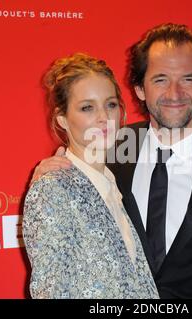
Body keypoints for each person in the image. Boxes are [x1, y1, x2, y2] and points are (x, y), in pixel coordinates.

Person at [31, 23, 192, 298]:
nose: (175, 93)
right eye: (161, 79)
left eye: (188, 79)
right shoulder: (113, 147)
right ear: (140, 89)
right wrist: (49, 175)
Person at [23, 53, 159, 299]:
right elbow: (51, 293)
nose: (104, 118)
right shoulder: (53, 190)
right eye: (87, 107)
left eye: (111, 104)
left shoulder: (115, 185)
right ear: (62, 119)